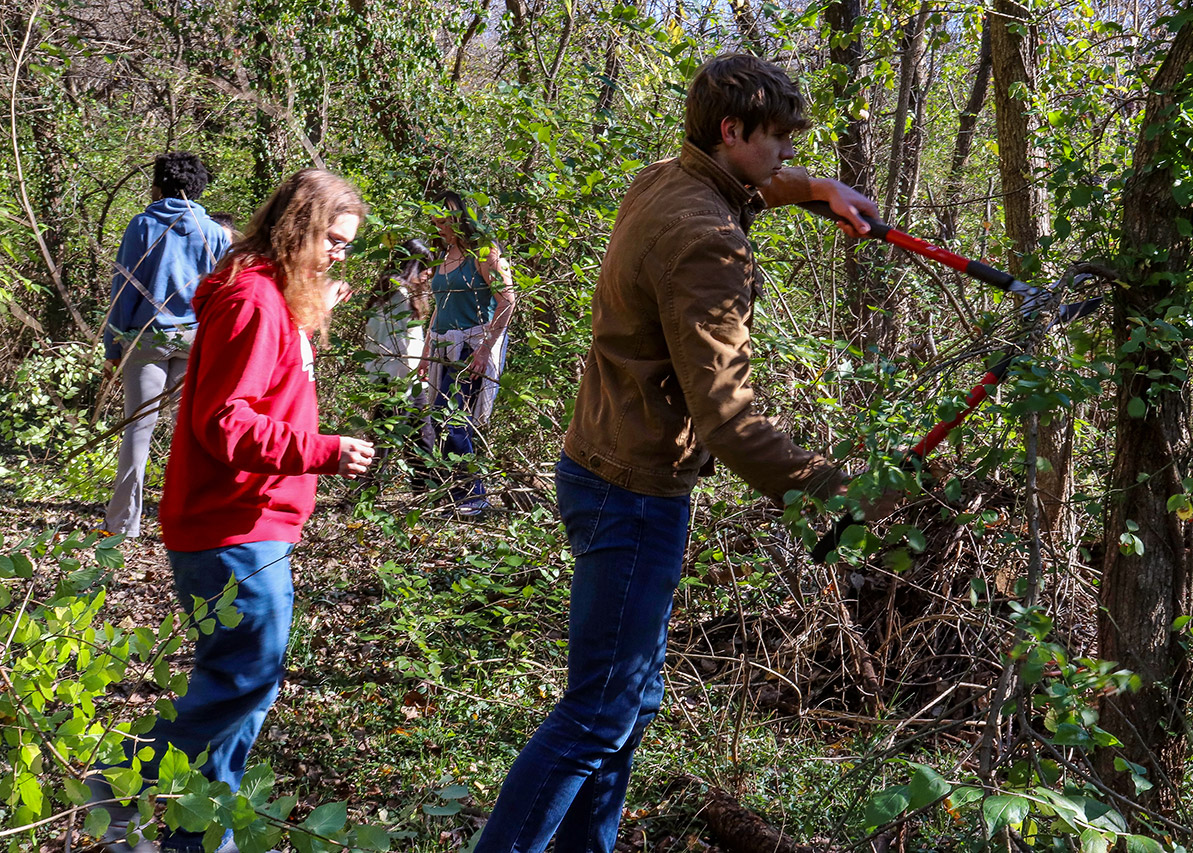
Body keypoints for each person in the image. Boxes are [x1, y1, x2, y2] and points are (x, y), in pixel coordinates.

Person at [473, 54, 880, 852]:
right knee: (598, 710)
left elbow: (752, 186)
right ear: (732, 132)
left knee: (630, 699)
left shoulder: (667, 180)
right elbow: (726, 419)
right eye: (777, 144)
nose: (785, 158)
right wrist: (837, 489)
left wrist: (818, 190)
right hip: (634, 492)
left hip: (603, 467)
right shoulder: (706, 240)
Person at [87, 168, 375, 853]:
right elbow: (226, 423)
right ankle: (120, 779)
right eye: (333, 240)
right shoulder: (250, 300)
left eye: (347, 245)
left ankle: (197, 837)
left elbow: (271, 371)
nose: (340, 253)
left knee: (247, 690)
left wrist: (320, 307)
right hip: (231, 528)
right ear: (299, 228)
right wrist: (323, 450)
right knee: (242, 680)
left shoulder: (273, 296)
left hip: (255, 524)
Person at [103, 152, 232, 538]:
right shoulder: (215, 233)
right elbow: (223, 294)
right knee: (191, 433)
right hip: (197, 341)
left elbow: (123, 288)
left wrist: (113, 347)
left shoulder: (142, 225)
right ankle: (194, 518)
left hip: (147, 338)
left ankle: (123, 524)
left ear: (159, 185)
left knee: (138, 430)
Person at [418, 191, 516, 516]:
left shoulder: (483, 252)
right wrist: (425, 351)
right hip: (445, 347)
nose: (439, 226)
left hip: (472, 347)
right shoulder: (443, 255)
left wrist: (485, 349)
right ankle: (459, 495)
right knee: (439, 417)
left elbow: (507, 301)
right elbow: (439, 306)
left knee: (450, 416)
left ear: (459, 217)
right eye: (434, 220)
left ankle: (473, 496)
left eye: (444, 219)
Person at [364, 238, 432, 490]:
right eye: (425, 267)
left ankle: (423, 491)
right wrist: (410, 376)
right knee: (387, 439)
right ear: (413, 265)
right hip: (399, 379)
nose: (429, 274)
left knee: (417, 436)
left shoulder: (385, 291)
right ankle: (363, 494)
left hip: (393, 377)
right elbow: (403, 343)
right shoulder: (399, 295)